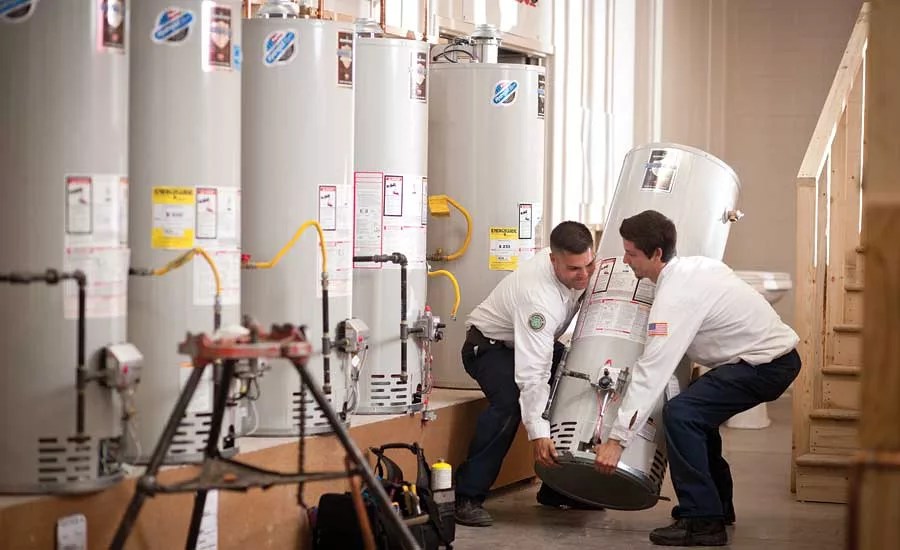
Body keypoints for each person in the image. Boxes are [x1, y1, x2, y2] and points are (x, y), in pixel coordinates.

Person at [592, 210, 802, 547]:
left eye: (631, 254)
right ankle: (716, 505)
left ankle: (703, 521)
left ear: (656, 253)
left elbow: (652, 372)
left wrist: (617, 440)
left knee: (682, 414)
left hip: (766, 366)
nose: (626, 260)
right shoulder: (696, 267)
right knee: (695, 414)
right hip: (767, 360)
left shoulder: (675, 296)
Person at [453, 221, 601, 527]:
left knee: (578, 378)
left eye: (589, 263)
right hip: (489, 348)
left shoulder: (578, 270)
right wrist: (538, 432)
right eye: (575, 269)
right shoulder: (538, 298)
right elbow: (534, 372)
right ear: (553, 259)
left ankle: (557, 489)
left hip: (532, 343)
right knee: (508, 404)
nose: (584, 275)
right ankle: (466, 497)